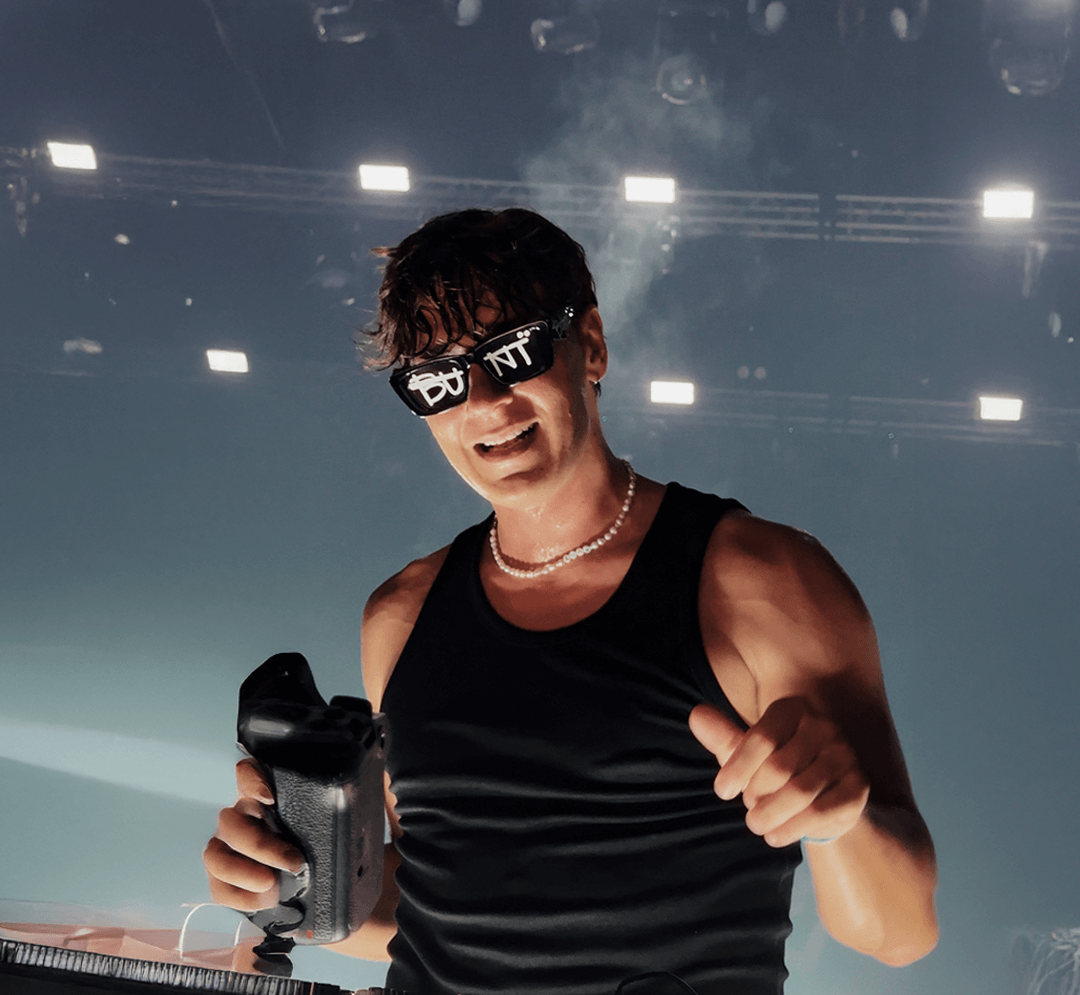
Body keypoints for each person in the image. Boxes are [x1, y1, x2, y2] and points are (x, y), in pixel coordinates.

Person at [203, 208, 938, 995]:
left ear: (590, 344)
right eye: (439, 381)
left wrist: (840, 822)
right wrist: (290, 882)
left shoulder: (763, 581)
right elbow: (423, 909)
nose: (484, 402)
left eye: (512, 353)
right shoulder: (399, 617)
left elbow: (900, 933)